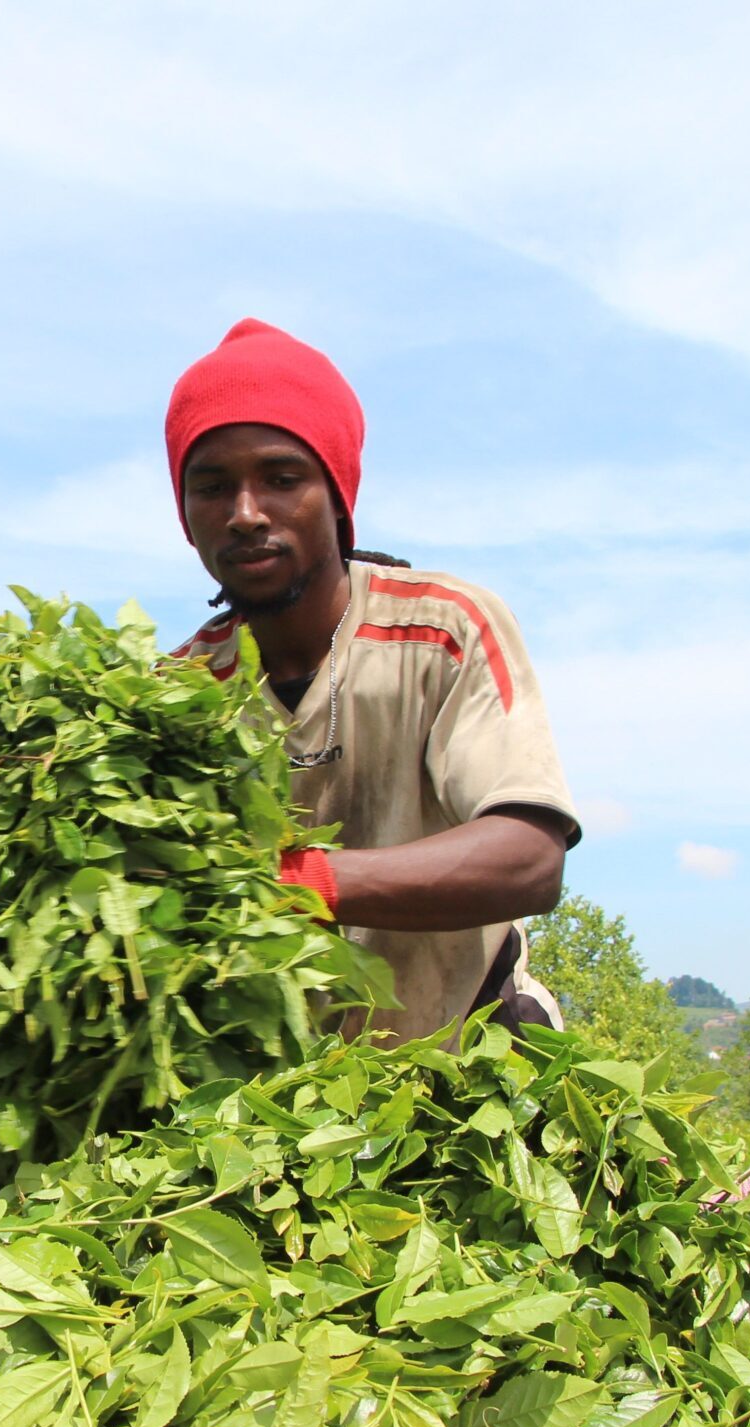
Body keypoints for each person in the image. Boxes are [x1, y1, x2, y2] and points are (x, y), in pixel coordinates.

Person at [163, 318, 578, 1041]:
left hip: (474, 1059)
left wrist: (303, 881)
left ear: (336, 493)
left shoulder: (442, 632)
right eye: (212, 487)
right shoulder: (175, 694)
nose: (245, 514)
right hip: (276, 1108)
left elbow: (528, 856)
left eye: (282, 478)